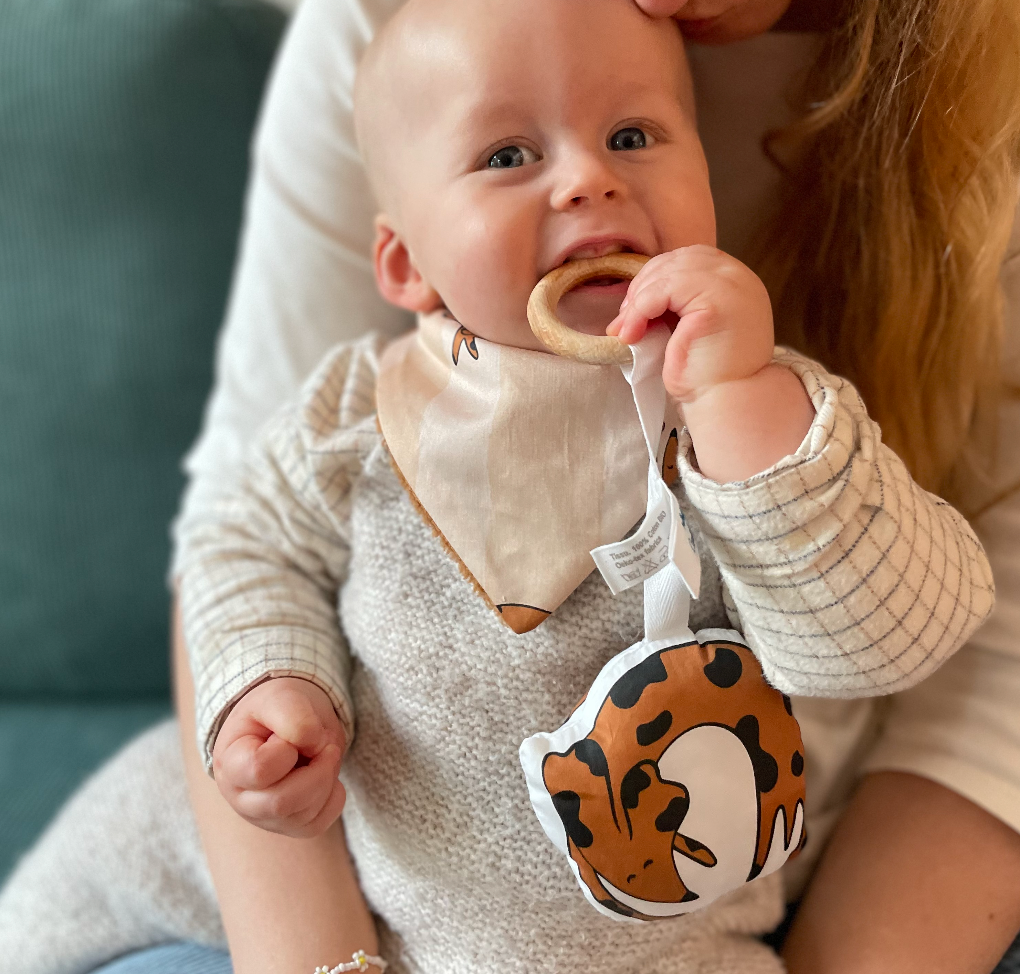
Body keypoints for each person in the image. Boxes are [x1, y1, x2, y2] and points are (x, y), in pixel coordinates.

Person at [0, 0, 1017, 972]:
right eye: (507, 157)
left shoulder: (757, 411)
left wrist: (747, 411)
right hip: (351, 908)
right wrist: (274, 682)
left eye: (632, 137)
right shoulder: (350, 414)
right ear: (404, 264)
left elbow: (886, 642)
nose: (587, 182)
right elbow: (242, 540)